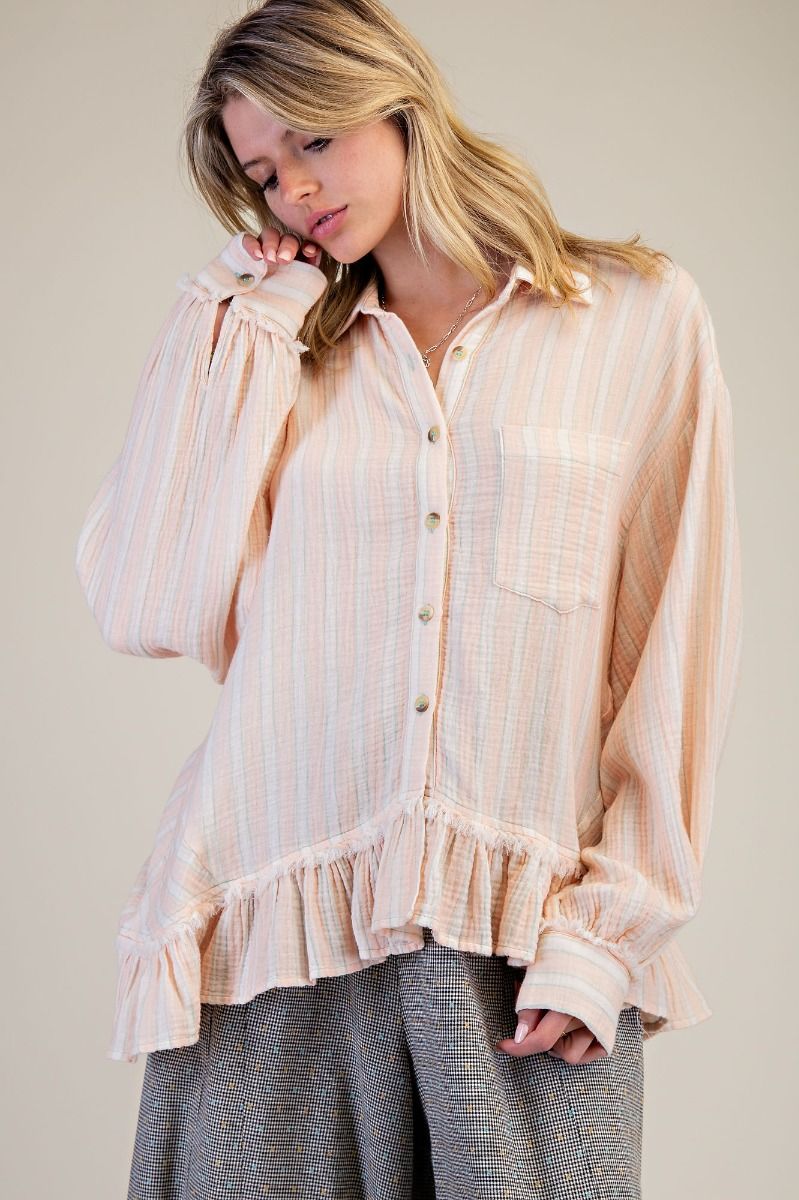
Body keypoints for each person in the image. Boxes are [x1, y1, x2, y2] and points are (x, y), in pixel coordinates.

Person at [74, 1, 743, 1197]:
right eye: (265, 175)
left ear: (391, 96)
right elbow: (147, 599)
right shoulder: (283, 353)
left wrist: (605, 940)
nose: (296, 194)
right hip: (272, 940)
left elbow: (669, 655)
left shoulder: (637, 320)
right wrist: (241, 323)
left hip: (517, 956)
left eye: (312, 142)